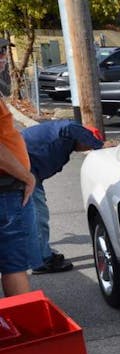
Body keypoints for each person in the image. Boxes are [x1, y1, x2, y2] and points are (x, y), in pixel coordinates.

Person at [21, 120, 104, 273]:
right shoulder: (68, 131)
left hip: (25, 168)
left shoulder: (65, 144)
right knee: (38, 216)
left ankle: (39, 253)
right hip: (21, 168)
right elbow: (70, 127)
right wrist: (100, 145)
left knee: (30, 215)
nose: (87, 148)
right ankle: (42, 261)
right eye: (88, 143)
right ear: (84, 136)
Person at [0, 38, 40, 296]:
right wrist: (27, 178)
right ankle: (27, 330)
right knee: (14, 265)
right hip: (6, 192)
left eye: (3, 50)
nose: (3, 56)